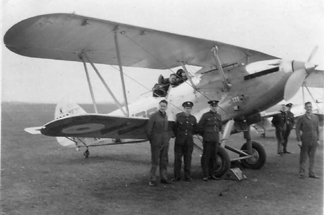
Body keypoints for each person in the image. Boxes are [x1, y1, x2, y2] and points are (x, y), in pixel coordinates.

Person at [145, 100, 172, 186]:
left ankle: (163, 177)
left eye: (164, 106)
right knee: (155, 161)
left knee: (164, 160)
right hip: (156, 141)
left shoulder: (166, 116)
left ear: (166, 107)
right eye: (161, 106)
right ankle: (152, 179)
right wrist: (153, 140)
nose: (162, 108)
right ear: (159, 106)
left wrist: (166, 139)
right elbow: (148, 130)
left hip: (164, 141)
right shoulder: (154, 116)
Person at [172, 101, 198, 182]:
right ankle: (177, 176)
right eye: (187, 108)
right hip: (179, 142)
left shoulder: (193, 119)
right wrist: (180, 136)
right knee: (178, 159)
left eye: (189, 108)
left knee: (188, 159)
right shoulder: (179, 117)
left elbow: (194, 129)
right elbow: (175, 128)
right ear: (184, 108)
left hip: (189, 142)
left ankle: (187, 176)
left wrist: (188, 136)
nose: (188, 110)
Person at [198, 100, 222, 181]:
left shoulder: (219, 116)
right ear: (210, 107)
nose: (214, 108)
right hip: (207, 139)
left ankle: (212, 174)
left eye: (215, 106)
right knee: (206, 157)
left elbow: (220, 128)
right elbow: (200, 127)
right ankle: (205, 175)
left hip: (215, 139)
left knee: (214, 157)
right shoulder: (205, 116)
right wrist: (204, 135)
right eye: (213, 106)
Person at [295, 102, 320, 179]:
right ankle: (302, 173)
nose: (309, 108)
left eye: (310, 107)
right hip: (305, 139)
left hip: (314, 139)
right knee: (303, 156)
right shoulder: (301, 118)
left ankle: (311, 173)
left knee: (312, 157)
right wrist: (299, 140)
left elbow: (317, 129)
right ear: (305, 108)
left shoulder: (315, 117)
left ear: (311, 107)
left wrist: (318, 139)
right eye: (307, 107)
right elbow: (297, 129)